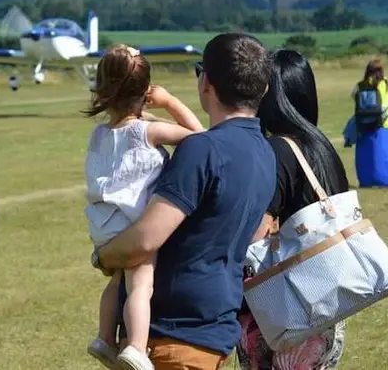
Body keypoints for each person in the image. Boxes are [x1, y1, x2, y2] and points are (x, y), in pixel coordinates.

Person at [92, 32, 275, 370]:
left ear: (206, 84)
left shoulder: (202, 150)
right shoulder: (265, 151)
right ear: (262, 88)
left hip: (174, 335)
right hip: (217, 326)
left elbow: (146, 238)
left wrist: (103, 255)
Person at [83, 45, 205, 370]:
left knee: (116, 281)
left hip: (103, 226)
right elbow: (200, 138)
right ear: (145, 92)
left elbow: (126, 123)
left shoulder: (98, 134)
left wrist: (142, 113)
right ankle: (136, 347)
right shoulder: (150, 132)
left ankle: (105, 338)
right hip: (134, 227)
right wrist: (169, 102)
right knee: (141, 284)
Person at [236, 49, 348, 369]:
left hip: (285, 310)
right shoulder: (321, 146)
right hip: (324, 305)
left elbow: (257, 233)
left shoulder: (279, 150)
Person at [351, 59, 388, 188]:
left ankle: (367, 180)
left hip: (364, 123)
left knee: (367, 155)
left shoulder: (360, 85)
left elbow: (353, 95)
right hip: (386, 124)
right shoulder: (386, 84)